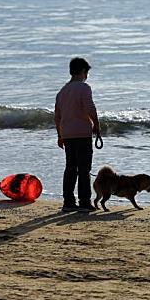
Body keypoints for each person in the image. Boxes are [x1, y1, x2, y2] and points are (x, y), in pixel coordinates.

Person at [55, 57, 101, 212]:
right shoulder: (84, 88)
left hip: (67, 133)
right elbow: (90, 107)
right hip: (82, 133)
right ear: (83, 71)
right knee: (84, 169)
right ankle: (84, 201)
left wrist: (60, 135)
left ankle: (68, 201)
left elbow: (57, 116)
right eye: (86, 72)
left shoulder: (62, 91)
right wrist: (97, 124)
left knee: (70, 168)